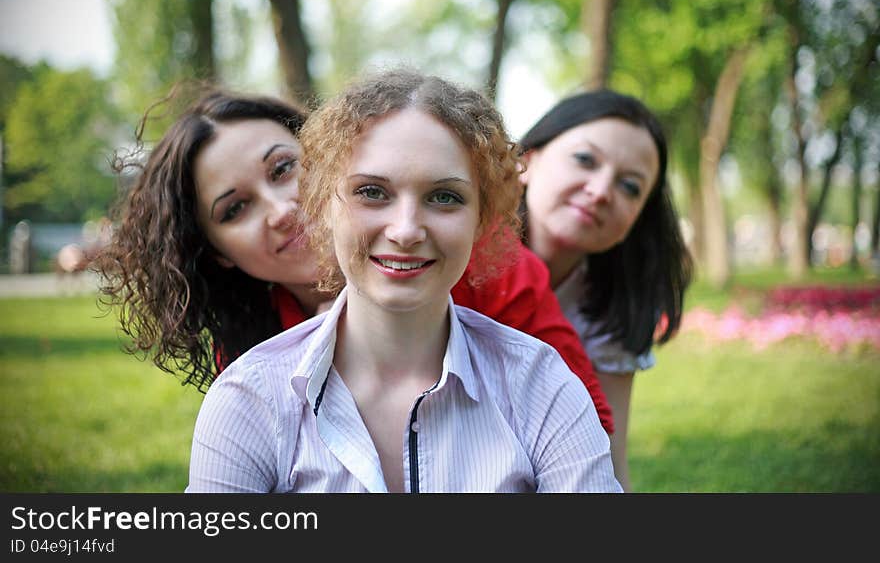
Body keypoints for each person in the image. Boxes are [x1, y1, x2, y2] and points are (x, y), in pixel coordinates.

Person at [186, 69, 621, 492]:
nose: (407, 229)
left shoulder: (541, 383)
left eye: (444, 197)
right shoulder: (249, 396)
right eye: (372, 192)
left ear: (482, 219)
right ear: (322, 204)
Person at [96, 86, 615, 432]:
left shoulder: (485, 262)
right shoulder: (250, 358)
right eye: (235, 208)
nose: (282, 209)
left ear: (328, 160)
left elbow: (584, 425)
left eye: (283, 169)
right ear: (217, 253)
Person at [518, 88, 693, 491]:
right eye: (585, 160)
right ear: (528, 161)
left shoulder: (619, 304)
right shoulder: (460, 257)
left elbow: (608, 454)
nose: (600, 191)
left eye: (630, 186)